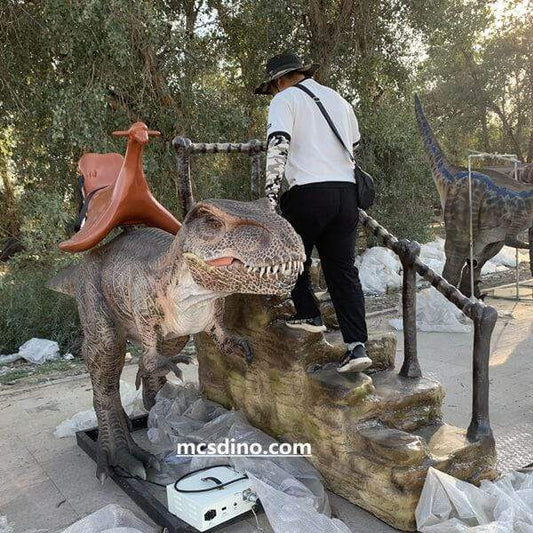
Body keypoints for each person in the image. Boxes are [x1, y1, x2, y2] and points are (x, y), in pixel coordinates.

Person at [255, 52, 371, 373]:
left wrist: (270, 198)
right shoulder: (340, 100)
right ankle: (357, 346)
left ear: (280, 80)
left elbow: (278, 144)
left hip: (308, 192)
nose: (273, 92)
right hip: (346, 194)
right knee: (343, 270)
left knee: (293, 258)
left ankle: (309, 312)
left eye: (272, 87)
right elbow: (355, 146)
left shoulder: (284, 99)